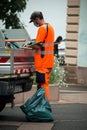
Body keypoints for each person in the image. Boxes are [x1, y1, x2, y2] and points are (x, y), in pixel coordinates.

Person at [29, 11, 55, 100]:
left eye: (33, 21)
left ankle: (44, 107)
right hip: (48, 62)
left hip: (42, 63)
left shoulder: (42, 28)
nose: (34, 24)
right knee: (44, 84)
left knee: (43, 86)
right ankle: (43, 107)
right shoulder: (50, 27)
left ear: (37, 19)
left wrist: (29, 46)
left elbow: (38, 45)